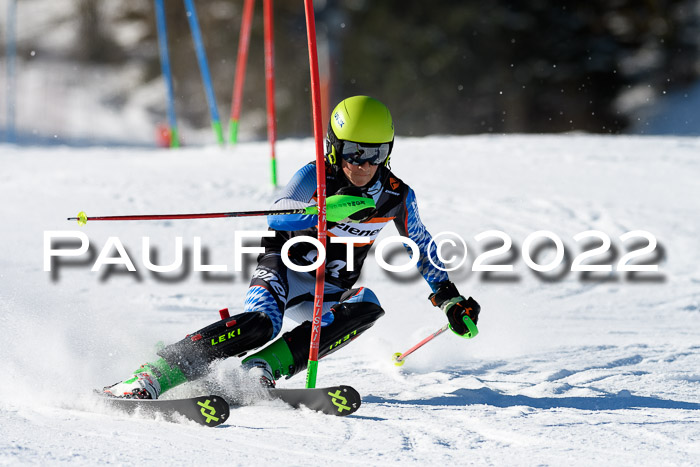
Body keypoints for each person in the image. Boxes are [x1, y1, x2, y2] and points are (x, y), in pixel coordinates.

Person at [103, 96, 480, 399]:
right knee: (263, 323)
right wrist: (323, 211)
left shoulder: (397, 196)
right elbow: (277, 216)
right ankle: (154, 374)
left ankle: (261, 369)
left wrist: (449, 297)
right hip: (282, 268)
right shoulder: (314, 175)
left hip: (328, 288)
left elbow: (423, 246)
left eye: (375, 153)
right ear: (334, 146)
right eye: (353, 152)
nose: (364, 165)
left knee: (368, 305)